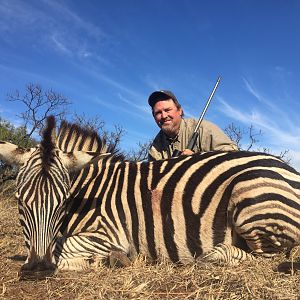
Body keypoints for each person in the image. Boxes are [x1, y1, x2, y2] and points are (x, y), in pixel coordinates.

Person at [148, 90, 238, 161]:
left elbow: (234, 156)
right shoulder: (155, 149)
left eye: (167, 110)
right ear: (154, 117)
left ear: (180, 111)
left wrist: (198, 161)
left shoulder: (204, 129)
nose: (164, 116)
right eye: (158, 113)